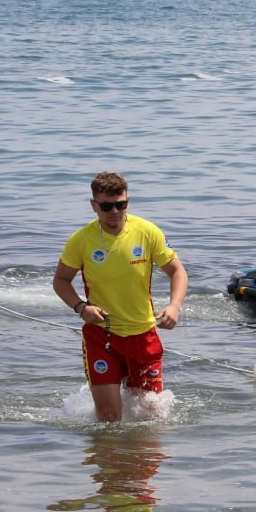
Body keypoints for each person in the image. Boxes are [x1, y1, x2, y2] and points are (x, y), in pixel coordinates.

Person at [52, 172, 188, 422]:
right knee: (109, 417)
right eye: (106, 206)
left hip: (143, 336)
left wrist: (174, 306)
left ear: (128, 201)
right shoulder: (81, 240)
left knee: (150, 416)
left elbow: (177, 271)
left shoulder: (147, 231)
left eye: (121, 204)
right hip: (101, 336)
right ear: (94, 206)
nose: (115, 211)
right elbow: (61, 281)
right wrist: (81, 308)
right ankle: (108, 459)